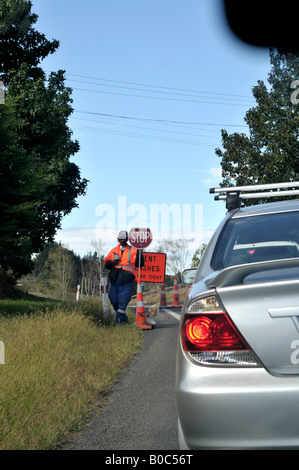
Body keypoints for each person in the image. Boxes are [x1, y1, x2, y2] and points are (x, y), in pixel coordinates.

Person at [104, 230, 144, 324]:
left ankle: (118, 321)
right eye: (121, 239)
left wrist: (140, 254)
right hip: (115, 279)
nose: (123, 240)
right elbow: (106, 264)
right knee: (113, 298)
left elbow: (140, 264)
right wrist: (112, 263)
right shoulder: (114, 250)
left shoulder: (134, 250)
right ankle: (123, 318)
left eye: (124, 239)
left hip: (127, 279)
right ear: (118, 239)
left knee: (123, 299)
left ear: (127, 239)